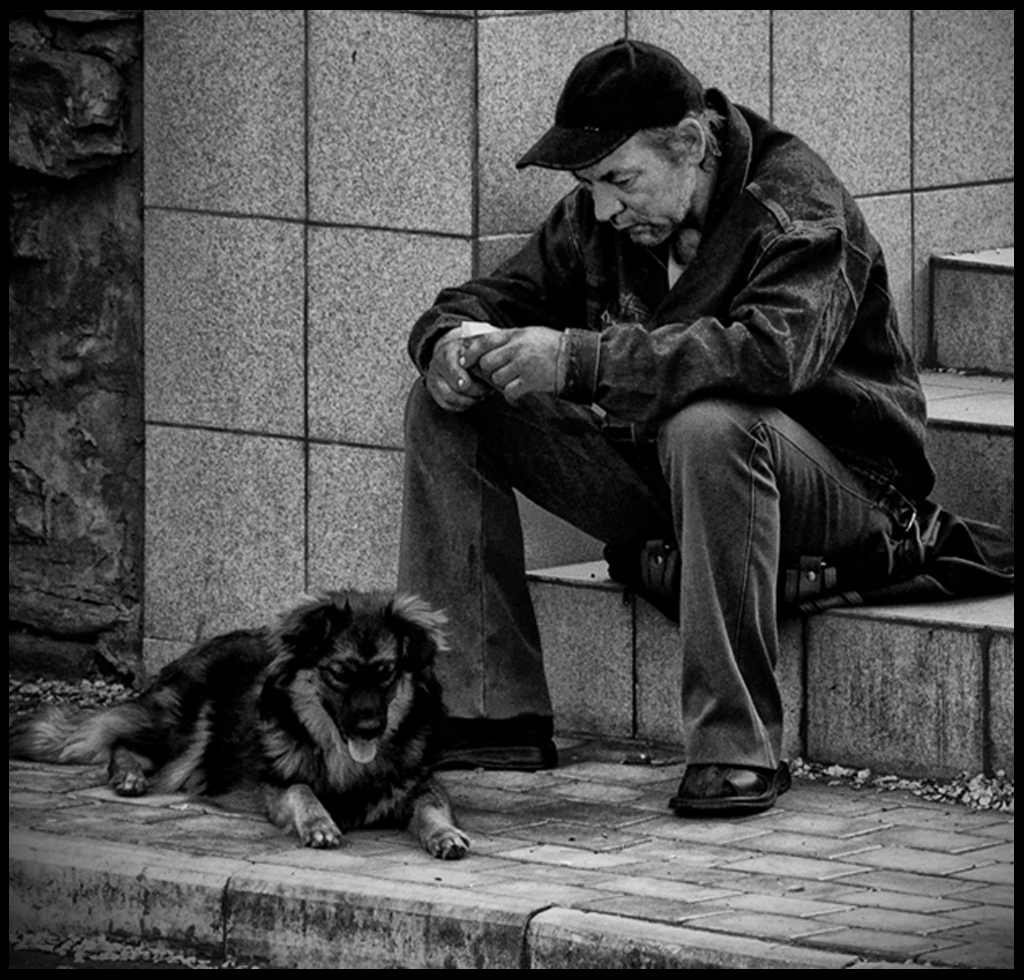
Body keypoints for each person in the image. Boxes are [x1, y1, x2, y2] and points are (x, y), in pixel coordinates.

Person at [397, 38, 935, 814]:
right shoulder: (602, 216)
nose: (606, 208)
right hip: (676, 479)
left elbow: (769, 357)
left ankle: (736, 746)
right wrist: (448, 344)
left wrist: (580, 362)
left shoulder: (799, 206)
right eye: (590, 186)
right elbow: (490, 298)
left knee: (709, 423)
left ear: (690, 143)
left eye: (619, 180)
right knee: (449, 400)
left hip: (844, 490)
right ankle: (484, 710)